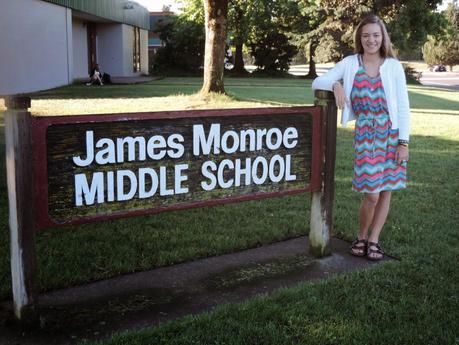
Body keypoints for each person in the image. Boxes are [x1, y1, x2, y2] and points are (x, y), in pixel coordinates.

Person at [312, 14, 410, 261]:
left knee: (386, 189)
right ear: (360, 38)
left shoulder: (393, 65)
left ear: (382, 37)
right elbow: (317, 81)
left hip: (392, 134)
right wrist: (335, 85)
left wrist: (404, 143)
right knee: (372, 192)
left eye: (376, 35)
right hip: (366, 135)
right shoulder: (350, 63)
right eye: (366, 35)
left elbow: (403, 107)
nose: (371, 40)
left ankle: (374, 240)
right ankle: (361, 235)